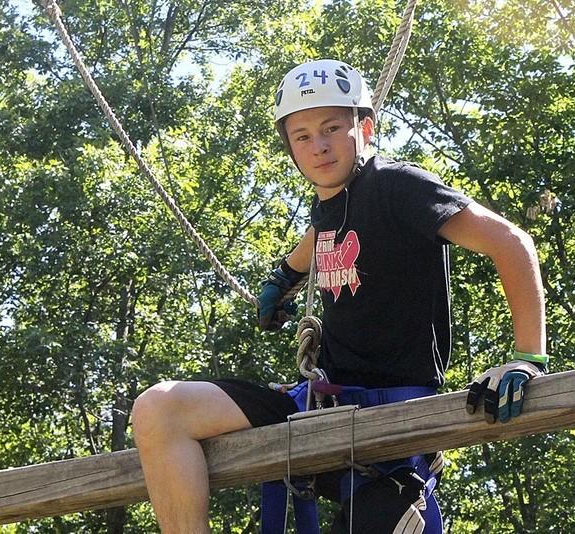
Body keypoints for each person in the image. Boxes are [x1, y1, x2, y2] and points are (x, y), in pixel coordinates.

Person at [131, 58, 547, 534]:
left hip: (394, 421)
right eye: (302, 135)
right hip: (319, 405)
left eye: (332, 127)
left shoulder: (397, 187)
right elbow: (318, 240)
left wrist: (526, 358)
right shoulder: (328, 204)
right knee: (159, 408)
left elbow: (510, 241)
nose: (319, 146)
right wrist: (282, 278)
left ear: (364, 128)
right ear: (289, 147)